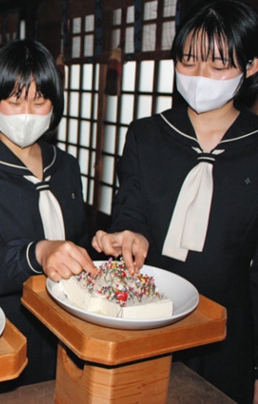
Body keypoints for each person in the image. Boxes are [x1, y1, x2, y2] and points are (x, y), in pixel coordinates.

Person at [91, 1, 258, 402]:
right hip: (150, 313)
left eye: (218, 66)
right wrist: (128, 235)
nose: (201, 77)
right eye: (188, 61)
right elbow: (130, 209)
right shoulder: (147, 134)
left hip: (230, 327)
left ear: (251, 67)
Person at [0, 39, 95, 388]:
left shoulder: (66, 165)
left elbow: (80, 243)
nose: (28, 111)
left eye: (40, 100)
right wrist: (39, 251)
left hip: (70, 324)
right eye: (15, 99)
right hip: (8, 329)